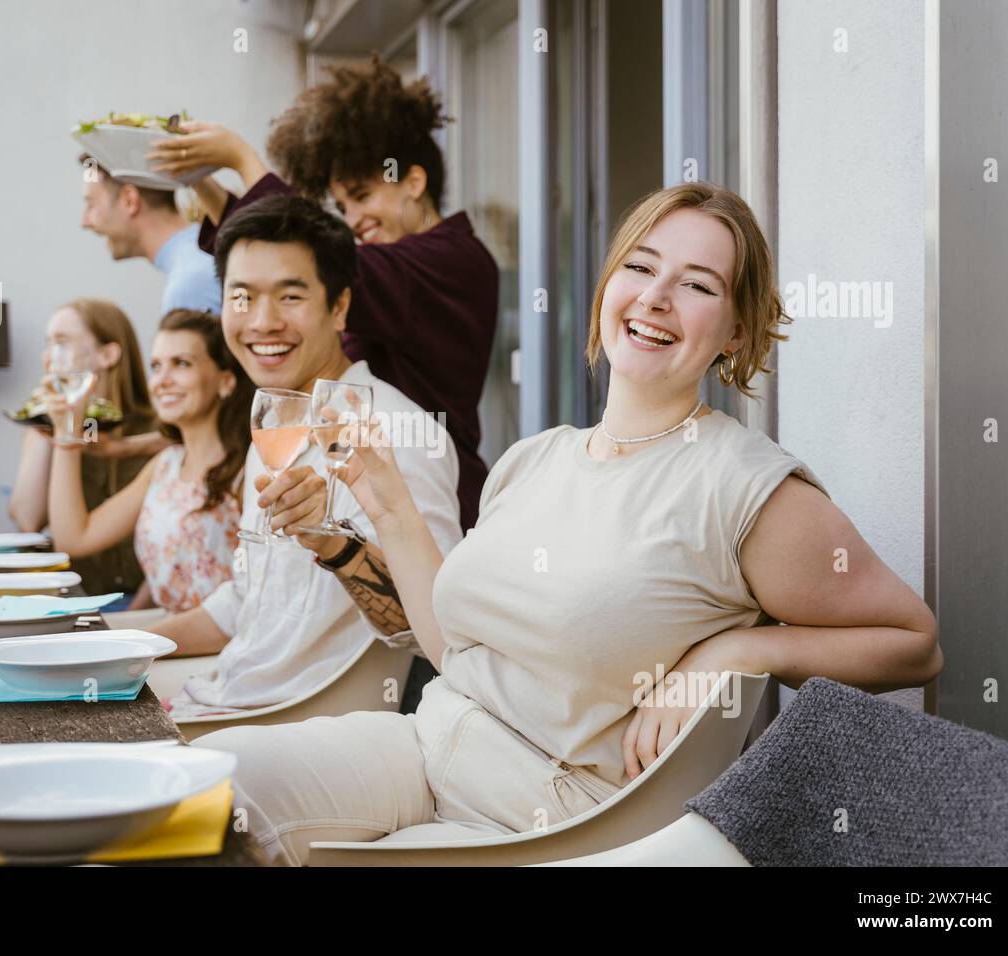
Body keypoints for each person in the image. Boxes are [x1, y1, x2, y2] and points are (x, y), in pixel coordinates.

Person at [191, 183, 943, 866]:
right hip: (424, 749)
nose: (655, 298)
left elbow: (915, 645)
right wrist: (383, 498)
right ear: (608, 287)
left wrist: (740, 648)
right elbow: (453, 651)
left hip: (547, 823)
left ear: (737, 333)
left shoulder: (743, 487)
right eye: (640, 268)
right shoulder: (537, 459)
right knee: (201, 788)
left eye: (697, 285)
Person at [148, 56, 498, 532]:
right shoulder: (409, 262)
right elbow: (284, 255)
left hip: (425, 498)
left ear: (413, 182)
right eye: (343, 205)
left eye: (363, 196)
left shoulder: (452, 260)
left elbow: (318, 258)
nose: (352, 219)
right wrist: (200, 182)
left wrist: (241, 159)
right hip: (358, 484)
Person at [144, 194, 462, 718]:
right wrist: (121, 642)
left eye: (290, 297)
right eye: (242, 297)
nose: (263, 322)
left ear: (339, 307)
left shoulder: (394, 433)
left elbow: (434, 629)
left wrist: (336, 543)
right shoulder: (272, 417)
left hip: (296, 724)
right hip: (223, 693)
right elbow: (245, 601)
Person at [41, 309, 250, 696]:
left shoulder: (246, 471)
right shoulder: (166, 465)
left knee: (64, 689)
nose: (163, 380)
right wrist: (68, 434)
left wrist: (127, 639)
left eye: (181, 364)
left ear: (225, 381)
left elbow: (245, 608)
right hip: (162, 645)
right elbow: (74, 538)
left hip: (218, 662)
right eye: (156, 365)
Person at [8, 299, 163, 602]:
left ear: (108, 354)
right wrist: (48, 421)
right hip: (77, 601)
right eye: (48, 344)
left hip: (149, 603)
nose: (48, 359)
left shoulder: (158, 428)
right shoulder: (49, 431)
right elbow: (27, 519)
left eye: (61, 343)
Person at [78, 154, 221, 314]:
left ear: (129, 200)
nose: (84, 222)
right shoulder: (204, 254)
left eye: (91, 205)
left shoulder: (188, 287)